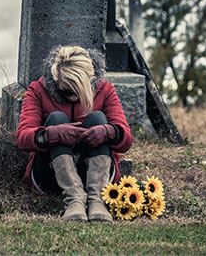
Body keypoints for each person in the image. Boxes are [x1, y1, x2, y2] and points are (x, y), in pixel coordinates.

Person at [16, 45, 133, 222]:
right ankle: (74, 200)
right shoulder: (38, 90)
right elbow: (22, 138)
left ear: (89, 82)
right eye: (66, 91)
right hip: (50, 175)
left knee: (97, 118)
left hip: (97, 176)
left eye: (77, 92)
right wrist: (51, 134)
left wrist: (108, 132)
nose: (72, 98)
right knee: (56, 118)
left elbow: (126, 140)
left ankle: (97, 201)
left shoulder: (105, 90)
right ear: (56, 80)